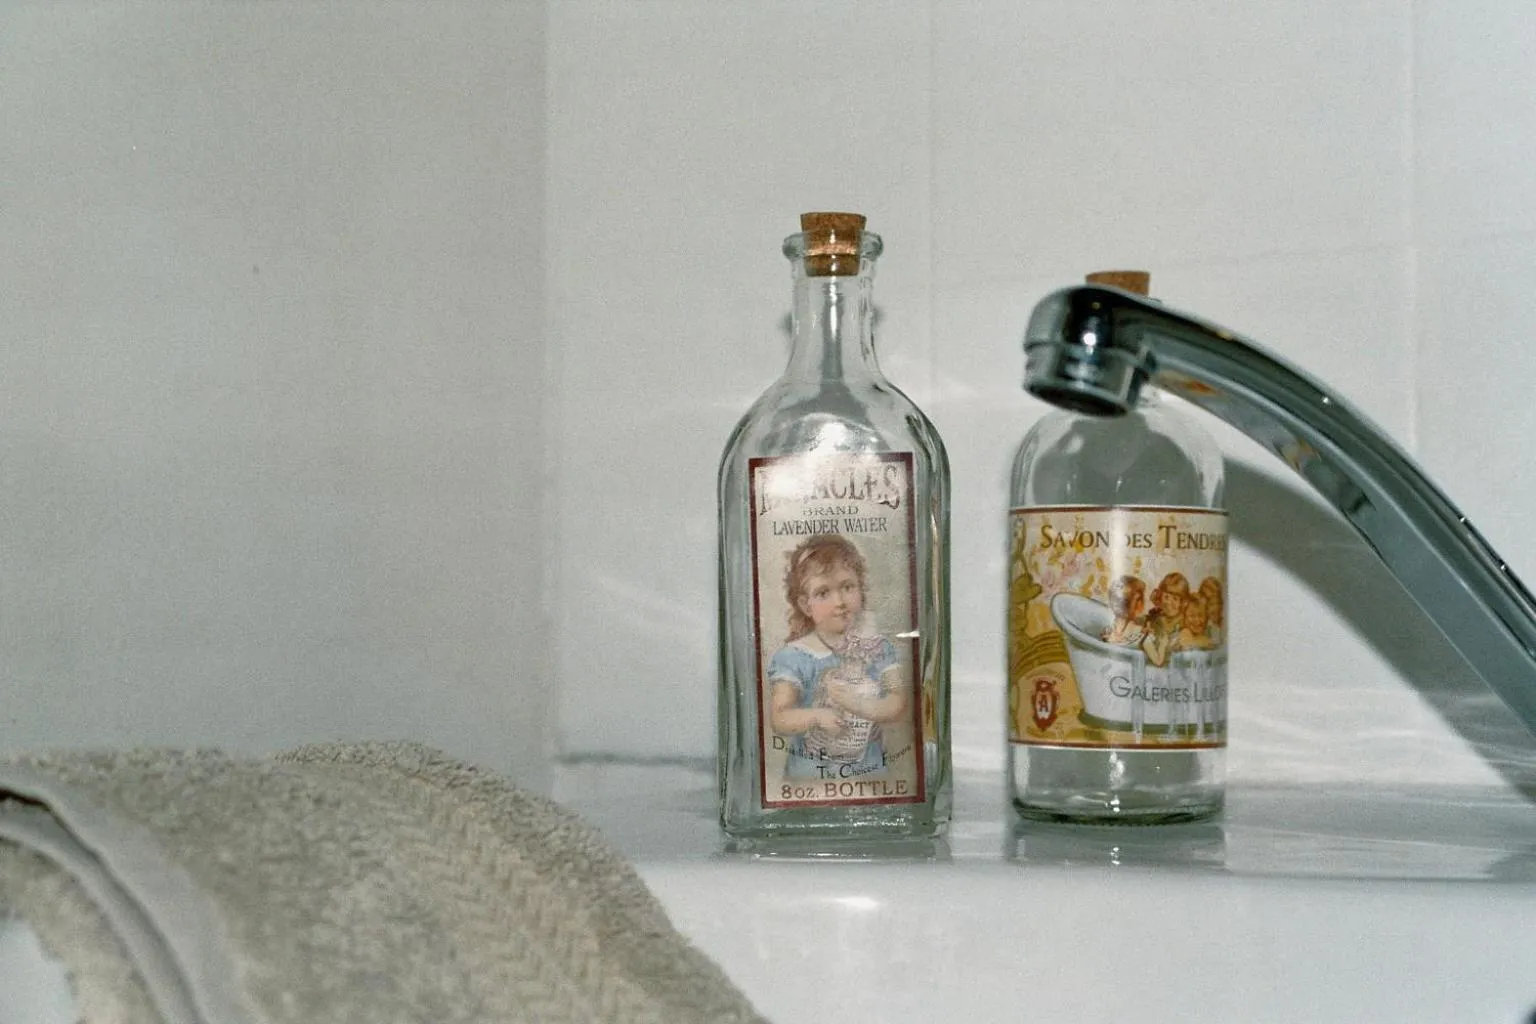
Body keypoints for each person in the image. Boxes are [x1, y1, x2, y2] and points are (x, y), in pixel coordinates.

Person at [766, 534, 910, 780]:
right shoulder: (795, 656)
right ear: (805, 604)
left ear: (861, 589)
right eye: (823, 593)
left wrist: (861, 706)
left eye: (847, 587)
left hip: (869, 779)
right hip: (809, 781)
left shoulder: (879, 648)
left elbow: (898, 704)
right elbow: (780, 717)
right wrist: (817, 716)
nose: (840, 601)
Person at [1140, 572, 1191, 668]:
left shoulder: (1185, 622)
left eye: (1175, 599)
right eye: (1166, 597)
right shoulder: (1156, 619)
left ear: (1183, 603)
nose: (1169, 603)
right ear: (1160, 596)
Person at [1100, 575, 1149, 646]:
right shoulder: (1109, 628)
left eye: (1126, 602)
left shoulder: (1137, 631)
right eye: (1115, 599)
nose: (1116, 604)